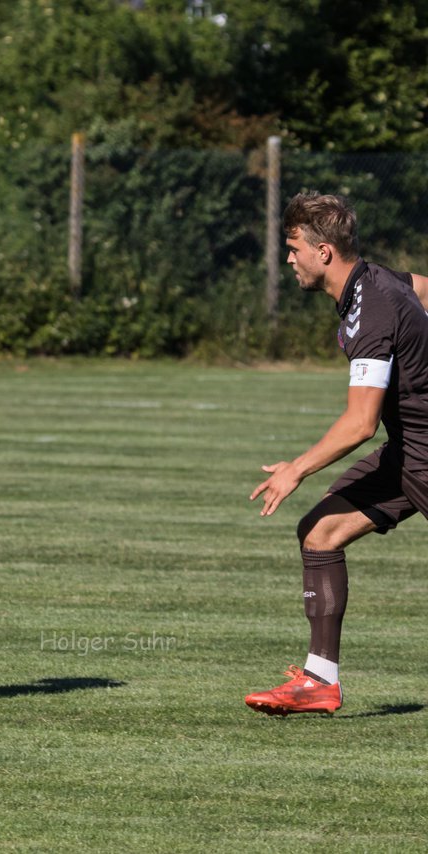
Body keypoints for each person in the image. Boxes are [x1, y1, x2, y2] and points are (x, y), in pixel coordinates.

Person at [246, 192, 428, 715]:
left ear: (323, 251)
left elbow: (358, 423)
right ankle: (319, 681)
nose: (289, 258)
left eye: (293, 247)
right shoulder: (376, 280)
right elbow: (421, 288)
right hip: (408, 451)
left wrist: (295, 469)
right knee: (321, 531)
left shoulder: (372, 309)